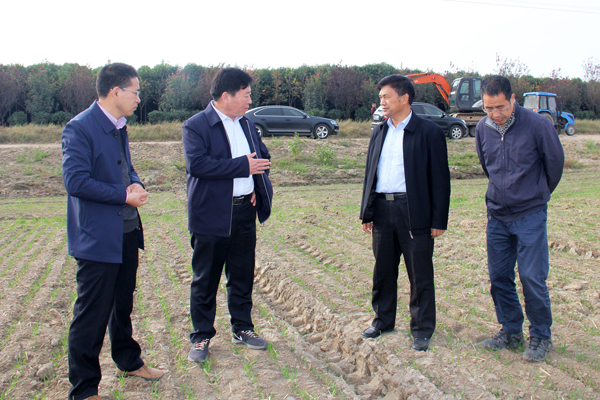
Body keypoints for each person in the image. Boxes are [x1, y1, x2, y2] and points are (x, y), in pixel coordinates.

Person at [62, 63, 166, 400]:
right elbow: (76, 182)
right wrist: (123, 195)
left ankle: (128, 361)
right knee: (91, 315)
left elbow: (125, 167)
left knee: (123, 305)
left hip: (126, 231)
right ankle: (84, 389)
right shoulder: (80, 128)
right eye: (135, 91)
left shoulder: (120, 126)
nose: (139, 98)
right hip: (97, 238)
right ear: (115, 91)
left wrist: (135, 182)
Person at [182, 67, 273, 363]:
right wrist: (243, 167)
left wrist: (256, 184)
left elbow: (262, 156)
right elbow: (198, 165)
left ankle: (242, 328)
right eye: (246, 95)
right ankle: (201, 336)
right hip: (211, 214)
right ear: (226, 96)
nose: (250, 101)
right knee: (205, 280)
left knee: (242, 275)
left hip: (244, 211)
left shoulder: (247, 124)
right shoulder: (196, 126)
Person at [476, 75, 564, 362]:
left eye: (500, 107)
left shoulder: (538, 125)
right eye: (489, 108)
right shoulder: (482, 129)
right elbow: (487, 166)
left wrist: (535, 193)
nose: (495, 114)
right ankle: (511, 331)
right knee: (499, 277)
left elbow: (554, 164)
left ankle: (540, 336)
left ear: (513, 99)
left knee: (531, 277)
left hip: (530, 215)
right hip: (497, 216)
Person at [360, 75, 451, 351]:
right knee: (383, 271)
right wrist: (367, 211)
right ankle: (382, 321)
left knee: (419, 273)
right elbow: (370, 173)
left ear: (404, 98)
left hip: (415, 211)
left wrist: (438, 220)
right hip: (382, 210)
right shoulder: (380, 131)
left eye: (386, 96)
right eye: (381, 97)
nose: (382, 102)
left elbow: (440, 180)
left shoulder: (429, 132)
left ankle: (422, 329)